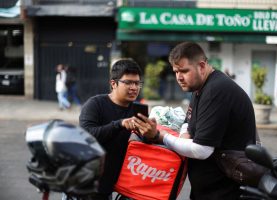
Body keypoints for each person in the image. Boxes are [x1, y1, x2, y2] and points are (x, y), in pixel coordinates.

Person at [133, 42, 256, 200]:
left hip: (224, 191)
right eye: (176, 71)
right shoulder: (199, 87)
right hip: (208, 191)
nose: (179, 77)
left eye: (184, 71)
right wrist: (184, 134)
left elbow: (202, 150)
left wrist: (161, 136)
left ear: (202, 66)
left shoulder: (215, 90)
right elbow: (188, 120)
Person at [79, 59, 143, 200]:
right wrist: (119, 124)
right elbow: (86, 136)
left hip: (122, 183)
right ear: (113, 84)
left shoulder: (139, 110)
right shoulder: (95, 104)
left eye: (137, 83)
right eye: (128, 82)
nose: (134, 87)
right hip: (89, 183)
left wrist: (152, 133)